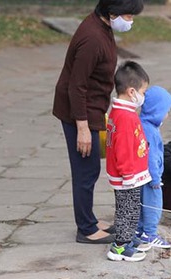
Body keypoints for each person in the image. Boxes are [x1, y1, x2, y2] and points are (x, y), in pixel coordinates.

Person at [52, 0, 144, 244]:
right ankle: (86, 229)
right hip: (78, 111)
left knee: (89, 168)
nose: (131, 21)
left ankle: (89, 220)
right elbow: (76, 85)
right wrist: (82, 127)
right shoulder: (93, 38)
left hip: (91, 107)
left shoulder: (102, 26)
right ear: (112, 13)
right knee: (86, 170)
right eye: (128, 15)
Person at [105, 61, 151, 262]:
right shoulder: (124, 116)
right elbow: (122, 148)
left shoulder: (122, 112)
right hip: (127, 175)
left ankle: (128, 238)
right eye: (143, 91)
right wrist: (128, 174)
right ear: (132, 91)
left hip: (130, 173)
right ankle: (120, 247)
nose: (144, 96)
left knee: (130, 208)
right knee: (127, 210)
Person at [135, 86, 171, 249]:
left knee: (141, 204)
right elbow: (150, 156)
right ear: (157, 110)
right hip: (151, 177)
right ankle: (149, 233)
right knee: (153, 205)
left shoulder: (144, 124)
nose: (167, 114)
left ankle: (139, 231)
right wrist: (156, 178)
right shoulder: (149, 130)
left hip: (142, 175)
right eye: (166, 110)